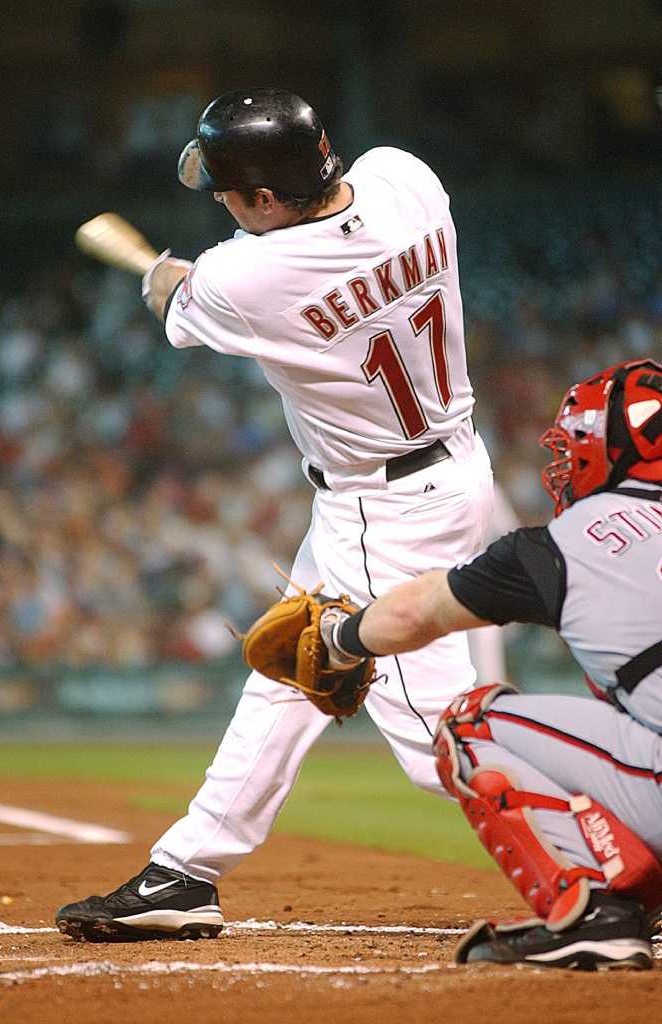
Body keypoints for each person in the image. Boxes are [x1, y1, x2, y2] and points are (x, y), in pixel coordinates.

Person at [56, 87, 493, 942]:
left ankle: (617, 849)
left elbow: (179, 297)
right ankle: (187, 871)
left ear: (263, 198)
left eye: (228, 192)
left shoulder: (241, 278)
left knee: (436, 739)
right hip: (450, 468)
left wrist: (161, 272)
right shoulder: (403, 176)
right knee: (288, 668)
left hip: (386, 509)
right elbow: (286, 258)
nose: (221, 203)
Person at [319, 358, 662, 970]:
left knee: (470, 724)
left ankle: (595, 918)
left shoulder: (567, 541)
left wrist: (341, 637)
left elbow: (419, 611)